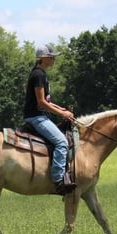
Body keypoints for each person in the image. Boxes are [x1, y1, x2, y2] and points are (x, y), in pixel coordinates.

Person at [24, 45, 77, 195]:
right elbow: (41, 103)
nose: (54, 59)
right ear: (43, 58)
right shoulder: (39, 75)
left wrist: (63, 111)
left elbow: (47, 101)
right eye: (51, 56)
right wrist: (62, 115)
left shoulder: (40, 74)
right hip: (36, 117)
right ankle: (58, 180)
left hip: (39, 115)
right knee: (62, 142)